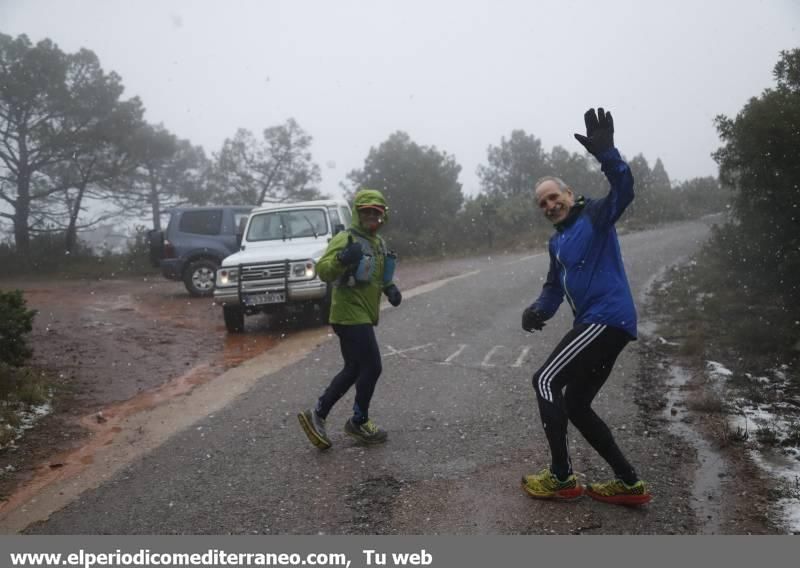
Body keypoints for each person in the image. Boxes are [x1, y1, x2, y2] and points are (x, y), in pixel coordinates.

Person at [520, 108, 652, 506]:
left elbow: (624, 190)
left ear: (569, 194)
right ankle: (628, 483)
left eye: (554, 197)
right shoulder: (556, 242)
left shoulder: (594, 215)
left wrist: (607, 154)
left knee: (545, 381)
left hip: (605, 319)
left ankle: (561, 477)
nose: (549, 206)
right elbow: (553, 287)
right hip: (607, 325)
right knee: (575, 403)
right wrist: (538, 310)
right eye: (542, 203)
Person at [298, 189, 402, 449]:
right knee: (373, 366)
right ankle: (358, 421)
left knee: (354, 369)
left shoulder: (378, 243)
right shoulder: (346, 239)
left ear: (382, 217)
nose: (370, 216)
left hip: (363, 313)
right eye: (365, 211)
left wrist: (389, 288)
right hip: (348, 313)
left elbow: (377, 274)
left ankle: (318, 414)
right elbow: (323, 270)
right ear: (357, 213)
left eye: (376, 213)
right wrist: (343, 258)